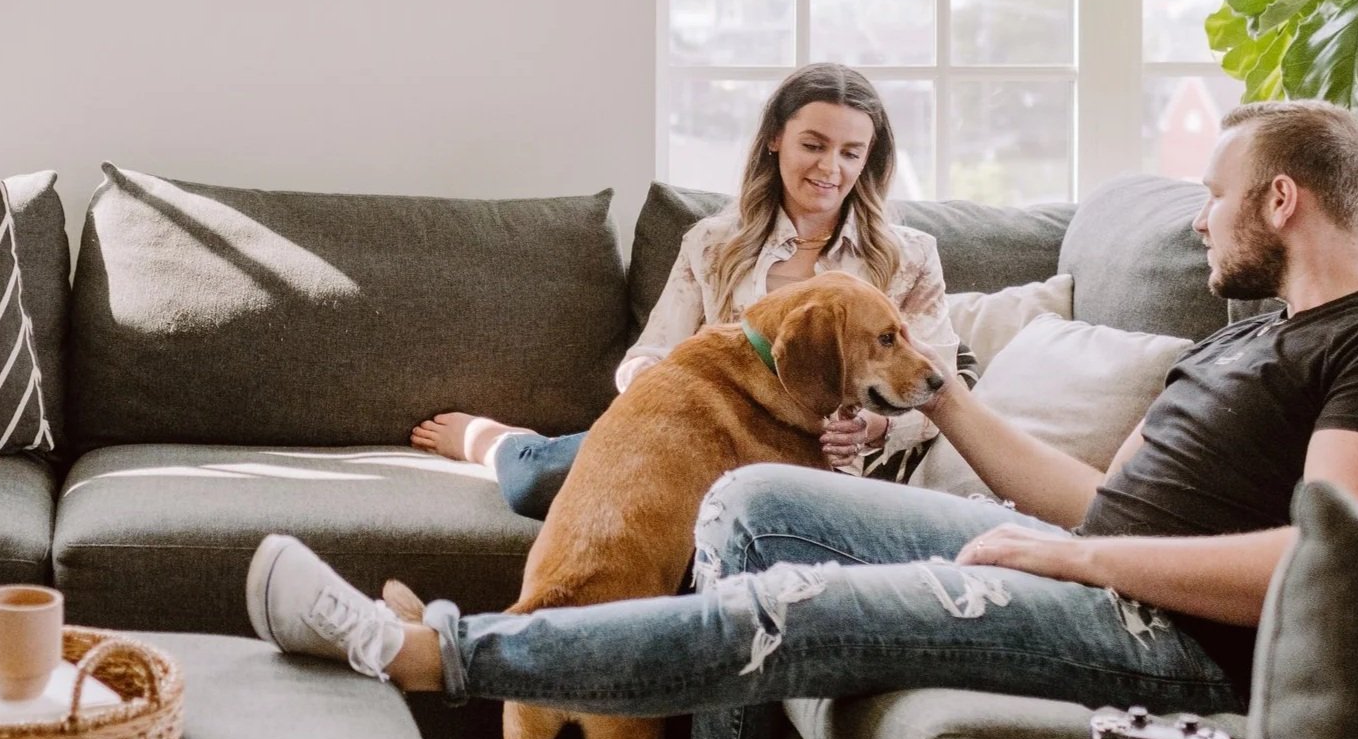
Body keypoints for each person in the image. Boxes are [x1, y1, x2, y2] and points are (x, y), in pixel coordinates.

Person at [246, 99, 1358, 739]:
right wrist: (939, 389)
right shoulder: (1248, 337)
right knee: (747, 500)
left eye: (1214, 201)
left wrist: (1076, 558)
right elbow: (1086, 494)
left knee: (800, 605)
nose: (1195, 225)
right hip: (1088, 563)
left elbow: (1329, 570)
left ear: (1280, 199)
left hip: (1159, 641)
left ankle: (436, 654)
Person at [408, 61, 965, 517]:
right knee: (538, 482)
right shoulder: (714, 243)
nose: (830, 168)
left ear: (869, 160)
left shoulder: (909, 258)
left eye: (851, 152)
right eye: (814, 144)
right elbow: (649, 356)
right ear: (775, 139)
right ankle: (498, 441)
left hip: (827, 473)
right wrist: (676, 401)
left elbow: (942, 391)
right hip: (705, 444)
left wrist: (868, 427)